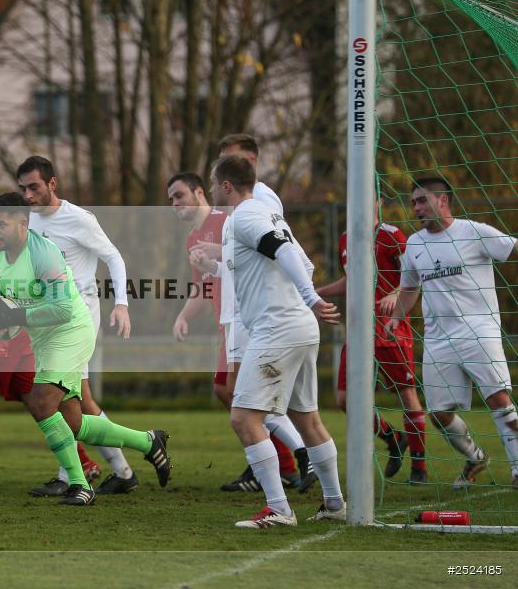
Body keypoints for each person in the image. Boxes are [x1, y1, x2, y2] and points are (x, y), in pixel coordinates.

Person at [0, 192, 172, 505]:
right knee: (74, 423)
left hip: (71, 331)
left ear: (23, 223)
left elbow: (62, 309)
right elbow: (5, 308)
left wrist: (12, 316)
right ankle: (148, 442)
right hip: (42, 336)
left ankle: (80, 485)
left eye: (1, 224)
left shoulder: (44, 253)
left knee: (40, 401)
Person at [211, 154, 345, 528]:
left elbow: (284, 252)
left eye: (212, 185)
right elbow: (302, 261)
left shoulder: (245, 215)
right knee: (308, 419)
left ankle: (279, 508)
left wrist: (310, 297)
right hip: (298, 327)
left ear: (225, 186)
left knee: (243, 418)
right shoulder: (268, 214)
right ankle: (334, 503)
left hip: (278, 328)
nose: (210, 192)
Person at [180, 134, 315, 493]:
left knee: (245, 400)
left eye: (230, 160)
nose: (221, 173)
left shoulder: (256, 202)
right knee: (236, 394)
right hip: (244, 315)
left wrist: (309, 295)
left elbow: (282, 250)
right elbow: (234, 265)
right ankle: (297, 468)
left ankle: (290, 465)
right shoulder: (223, 218)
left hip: (259, 315)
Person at [0, 183, 99, 491]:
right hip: (0, 334)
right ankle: (85, 461)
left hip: (10, 337)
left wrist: (9, 319)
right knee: (38, 403)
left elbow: (22, 295)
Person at [379, 177, 517, 489]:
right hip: (438, 339)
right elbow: (410, 289)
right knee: (438, 413)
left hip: (479, 331)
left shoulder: (474, 231)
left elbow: (512, 248)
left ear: (443, 200)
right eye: (414, 202)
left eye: (422, 200)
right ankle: (475, 456)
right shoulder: (414, 243)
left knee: (498, 398)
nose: (416, 208)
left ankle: (517, 467)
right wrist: (395, 319)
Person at [18, 156, 138, 496]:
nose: (27, 195)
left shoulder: (79, 219)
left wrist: (121, 304)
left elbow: (113, 256)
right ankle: (125, 468)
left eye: (34, 187)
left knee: (58, 397)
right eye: (23, 188)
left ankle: (70, 477)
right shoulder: (28, 222)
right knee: (78, 399)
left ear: (52, 184)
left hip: (77, 319)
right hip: (49, 322)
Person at [316, 206, 427, 483]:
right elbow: (352, 279)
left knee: (407, 394)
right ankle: (393, 438)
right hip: (358, 329)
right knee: (345, 400)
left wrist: (395, 292)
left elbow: (413, 276)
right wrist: (317, 292)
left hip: (391, 328)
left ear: (377, 201)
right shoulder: (346, 237)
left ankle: (420, 467)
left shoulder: (393, 236)